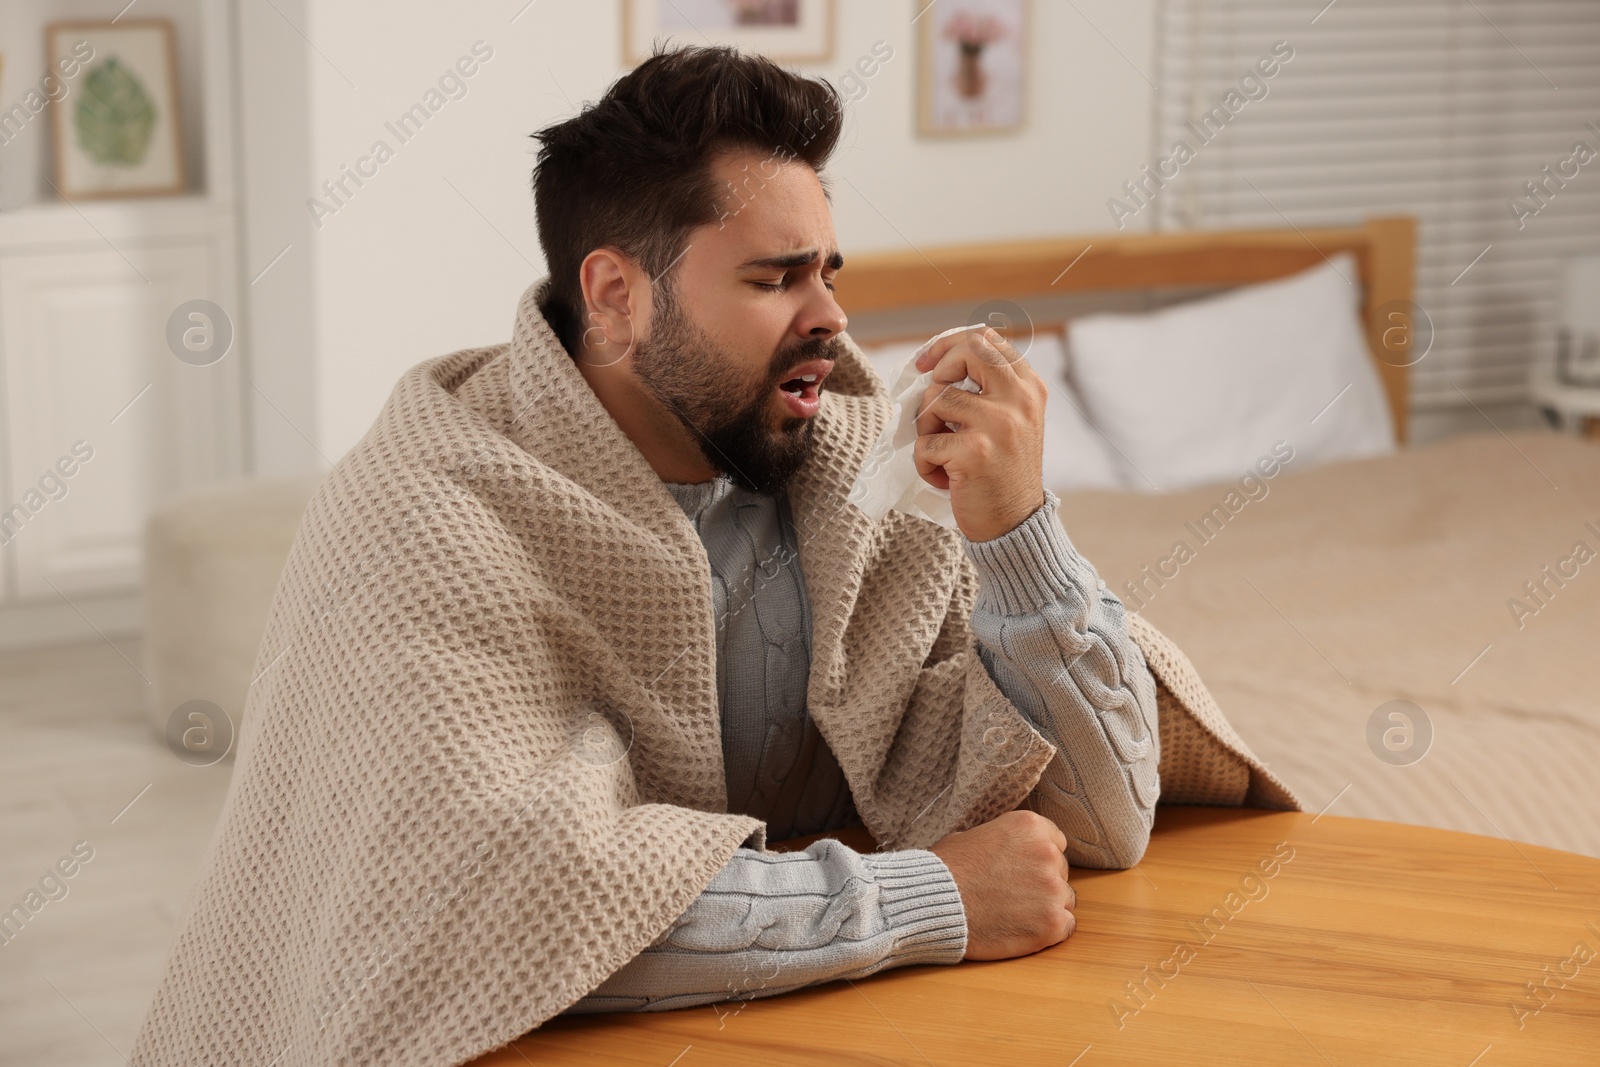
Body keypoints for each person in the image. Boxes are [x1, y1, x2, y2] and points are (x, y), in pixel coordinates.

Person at [131, 42, 1289, 1067]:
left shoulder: (845, 475)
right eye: (773, 277)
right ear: (617, 297)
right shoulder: (427, 520)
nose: (829, 315)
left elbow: (1096, 822)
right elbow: (501, 917)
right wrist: (927, 895)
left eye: (828, 269)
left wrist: (1018, 530)